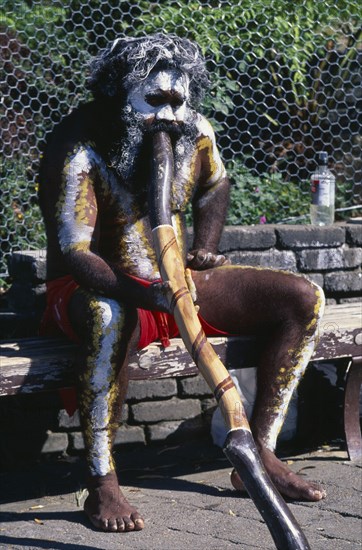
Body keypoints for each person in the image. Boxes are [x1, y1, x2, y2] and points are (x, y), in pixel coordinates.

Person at [39, 33, 326, 534]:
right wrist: (146, 293)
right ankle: (102, 480)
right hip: (93, 289)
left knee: (302, 299)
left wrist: (206, 246)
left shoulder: (194, 132)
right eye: (156, 101)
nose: (169, 115)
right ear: (118, 93)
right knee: (110, 316)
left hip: (174, 282)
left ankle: (259, 452)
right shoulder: (79, 146)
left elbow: (216, 185)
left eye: (178, 100)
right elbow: (76, 254)